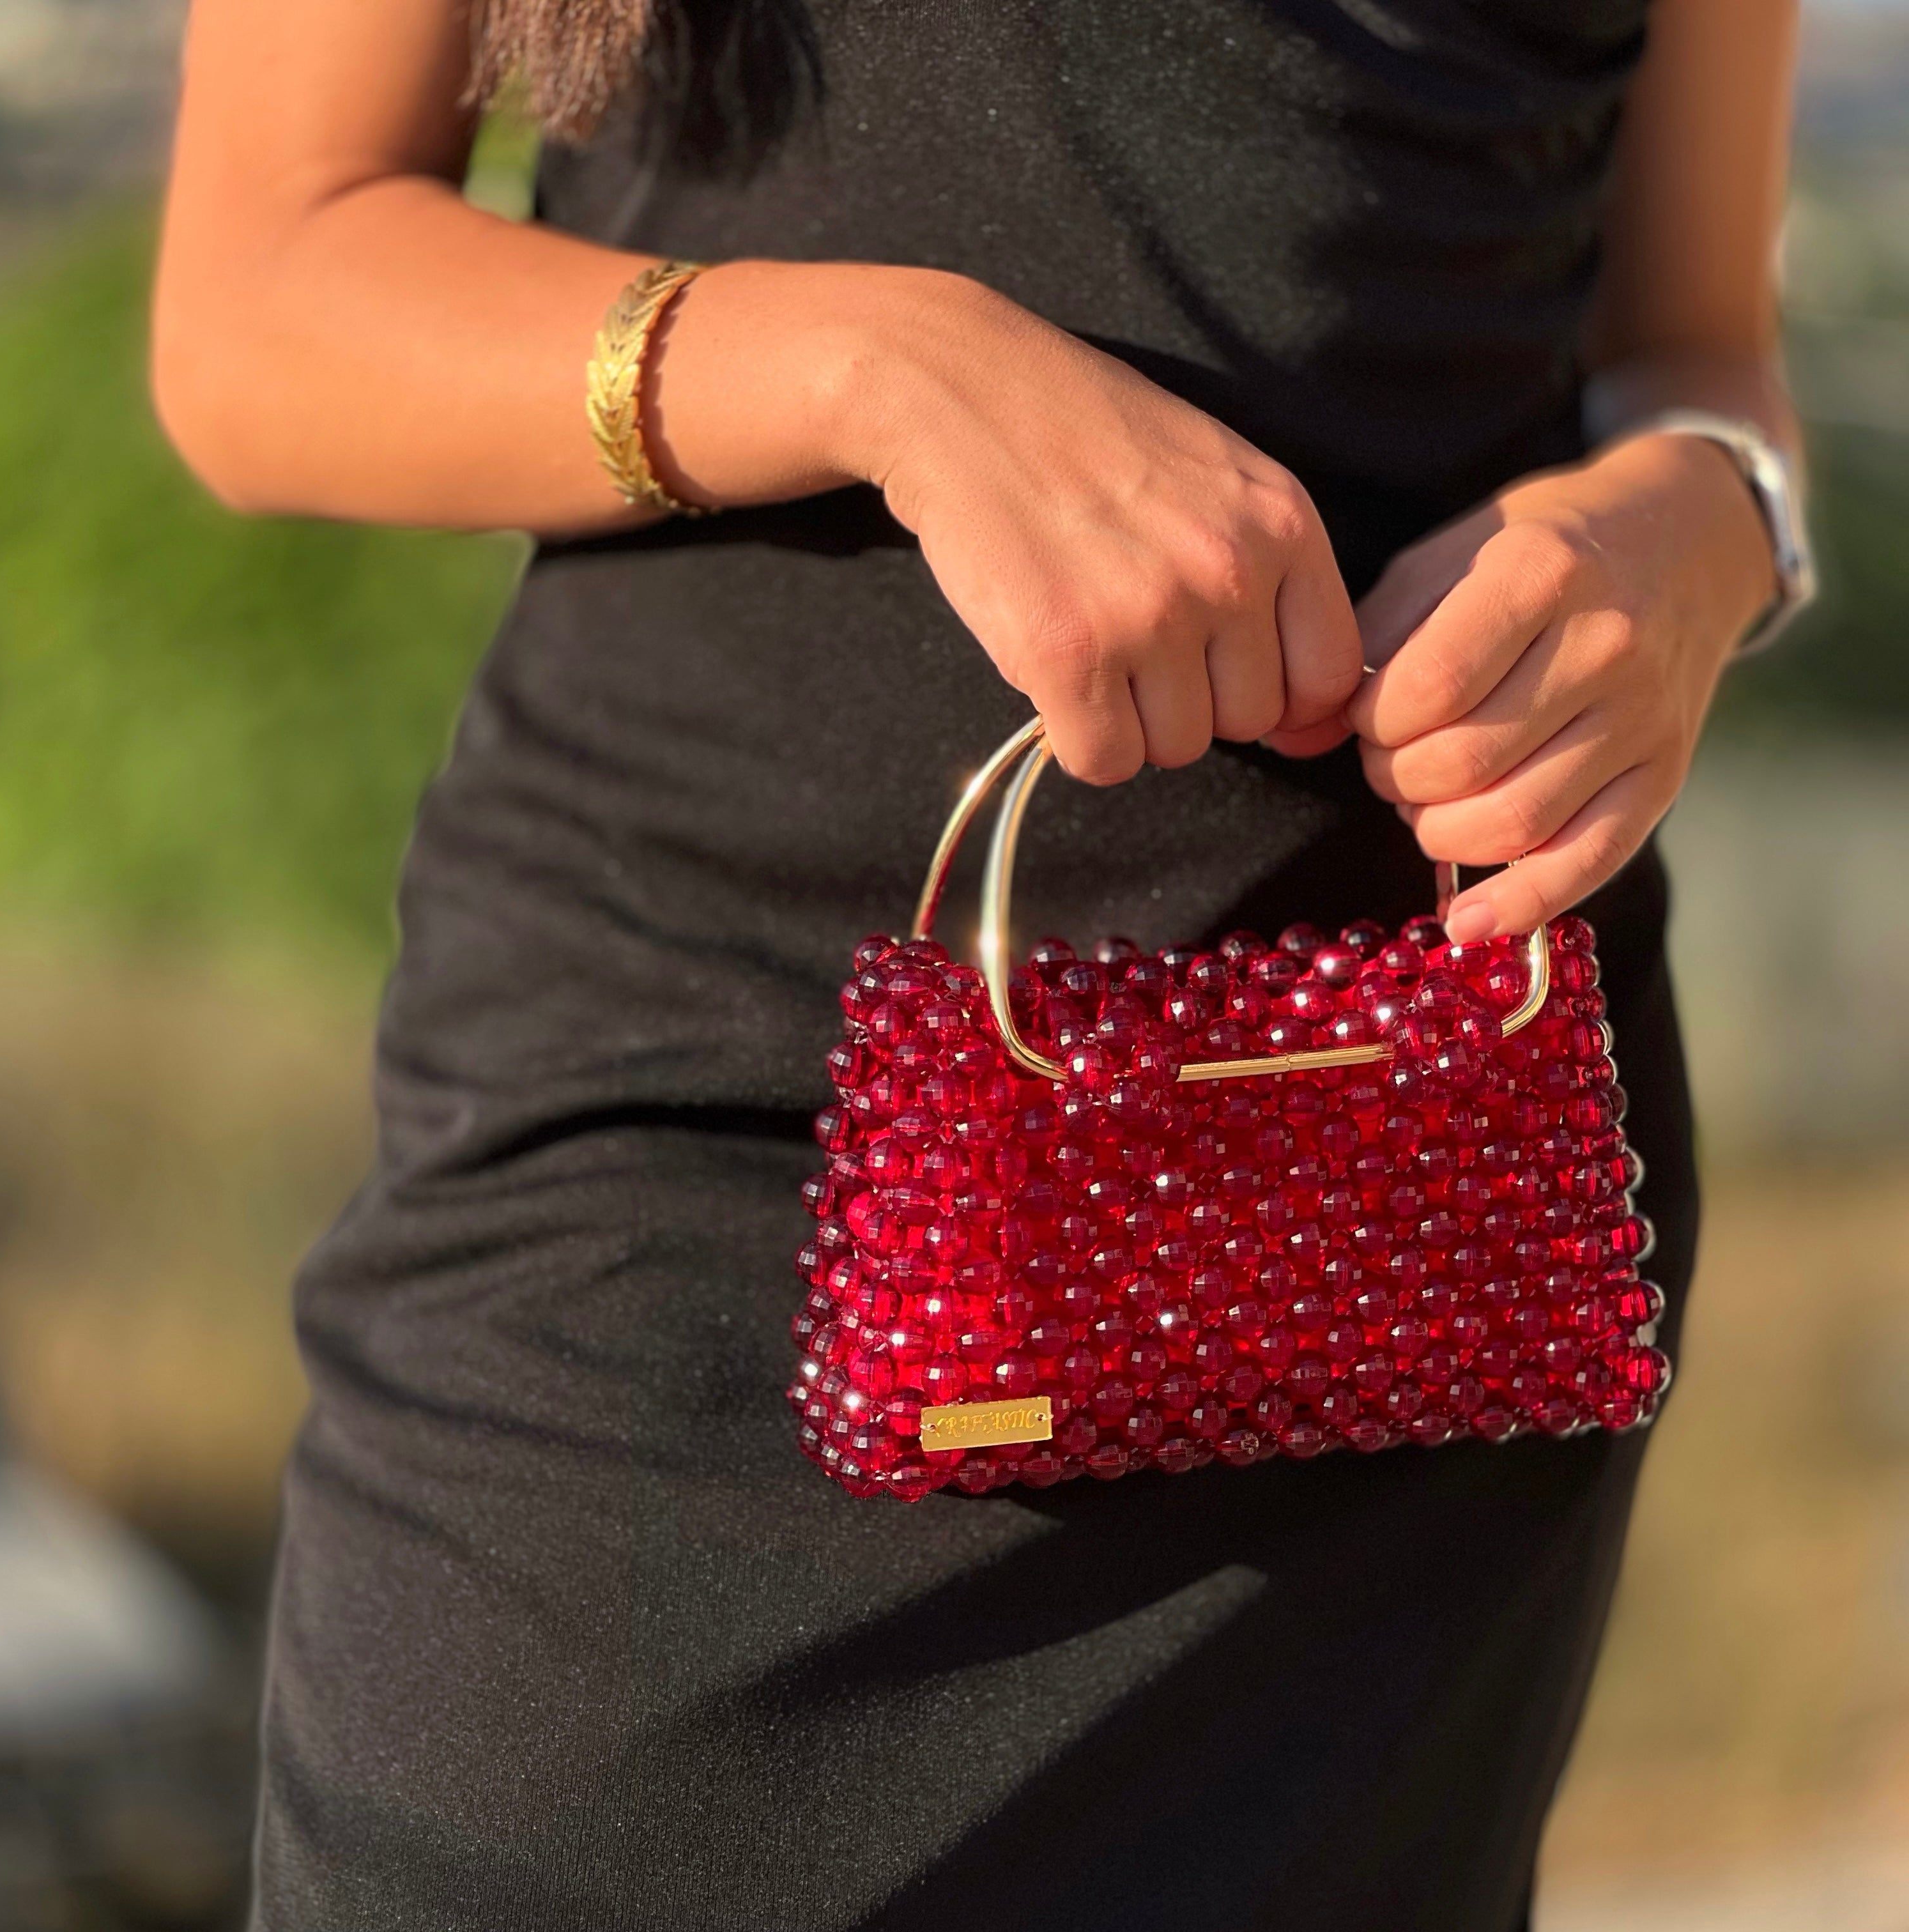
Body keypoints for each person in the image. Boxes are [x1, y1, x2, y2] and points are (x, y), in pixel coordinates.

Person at [153, 1, 1805, 1926]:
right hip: (694, 1200)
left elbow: (1695, 354)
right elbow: (258, 299)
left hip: (1412, 1229)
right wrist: (873, 361)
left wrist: (1700, 541)